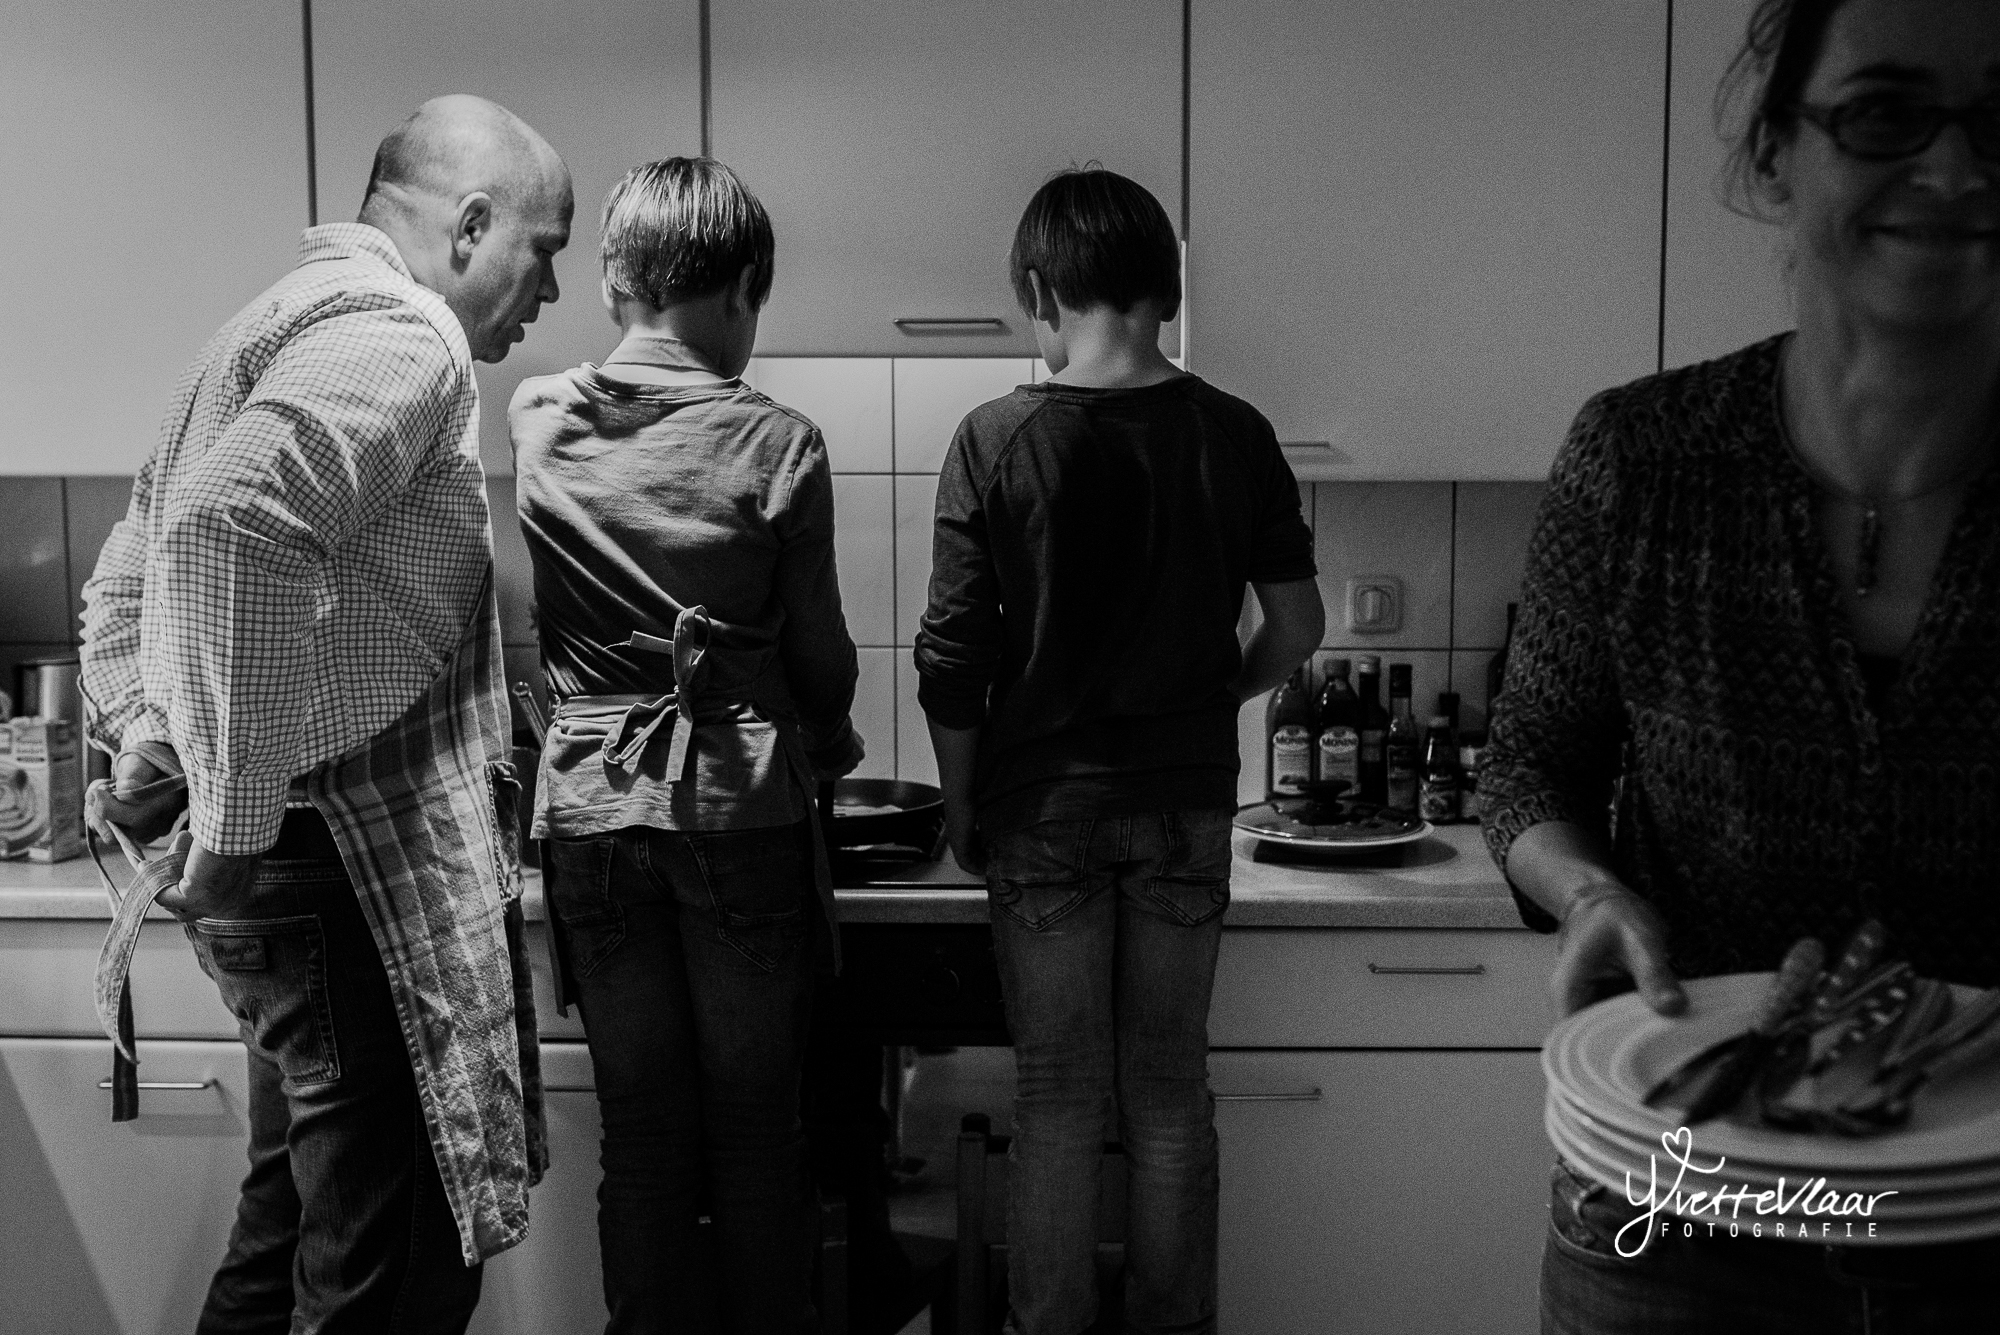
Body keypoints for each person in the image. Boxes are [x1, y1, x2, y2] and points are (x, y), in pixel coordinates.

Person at [1479, 0, 2000, 1328]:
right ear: (1775, 152)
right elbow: (1528, 763)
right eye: (1883, 113)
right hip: (1674, 1218)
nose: (1954, 168)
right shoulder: (1640, 461)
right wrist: (1589, 890)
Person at [77, 94, 573, 1333]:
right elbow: (229, 527)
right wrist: (234, 818)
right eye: (544, 250)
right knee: (387, 1272)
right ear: (471, 225)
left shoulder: (266, 322)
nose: (551, 291)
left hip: (288, 876)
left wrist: (149, 735)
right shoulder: (404, 335)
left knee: (288, 1231)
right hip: (336, 867)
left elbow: (129, 572)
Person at [915, 168, 1324, 1335]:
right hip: (1183, 808)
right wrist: (1211, 697)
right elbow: (1296, 628)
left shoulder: (994, 438)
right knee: (1167, 1093)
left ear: (1038, 290)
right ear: (1166, 291)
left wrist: (959, 801)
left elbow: (950, 661)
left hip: (1039, 810)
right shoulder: (1234, 433)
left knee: (1056, 1098)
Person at [509, 155, 864, 1335]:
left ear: (613, 282)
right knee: (756, 1130)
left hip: (589, 814)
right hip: (737, 808)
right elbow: (821, 659)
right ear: (745, 289)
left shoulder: (538, 418)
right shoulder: (780, 442)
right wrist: (829, 739)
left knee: (645, 1135)